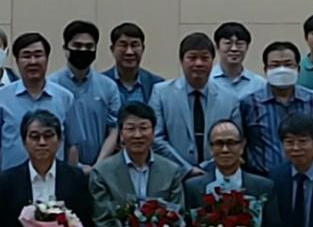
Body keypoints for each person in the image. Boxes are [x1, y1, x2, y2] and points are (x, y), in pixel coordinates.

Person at [0, 32, 74, 190]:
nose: (33, 61)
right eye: (26, 56)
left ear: (47, 59)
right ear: (16, 61)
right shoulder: (0, 98)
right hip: (11, 185)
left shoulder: (65, 98)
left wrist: (71, 185)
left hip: (54, 184)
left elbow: (72, 145)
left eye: (38, 55)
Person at [149, 33, 241, 178]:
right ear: (181, 61)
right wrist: (187, 169)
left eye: (204, 58)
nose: (198, 63)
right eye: (192, 58)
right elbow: (155, 138)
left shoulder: (230, 98)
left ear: (212, 61)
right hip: (173, 175)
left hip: (217, 175)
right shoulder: (161, 93)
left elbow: (235, 141)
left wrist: (208, 167)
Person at [239, 41, 313, 176]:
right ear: (266, 70)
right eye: (275, 65)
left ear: (298, 69)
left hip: (305, 177)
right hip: (262, 177)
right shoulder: (249, 103)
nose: (282, 70)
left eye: (288, 64)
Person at [50, 20, 121, 172]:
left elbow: (113, 130)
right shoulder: (51, 85)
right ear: (65, 48)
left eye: (89, 46)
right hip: (60, 170)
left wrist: (98, 165)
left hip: (101, 169)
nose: (83, 50)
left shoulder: (108, 87)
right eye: (77, 46)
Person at [102, 22, 164, 105]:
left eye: (134, 45)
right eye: (123, 45)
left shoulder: (157, 85)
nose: (129, 52)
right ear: (112, 49)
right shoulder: (100, 84)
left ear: (143, 49)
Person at [210, 22, 266, 99]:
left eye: (239, 44)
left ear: (247, 47)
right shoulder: (207, 80)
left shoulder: (260, 84)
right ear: (217, 46)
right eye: (228, 43)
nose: (234, 49)